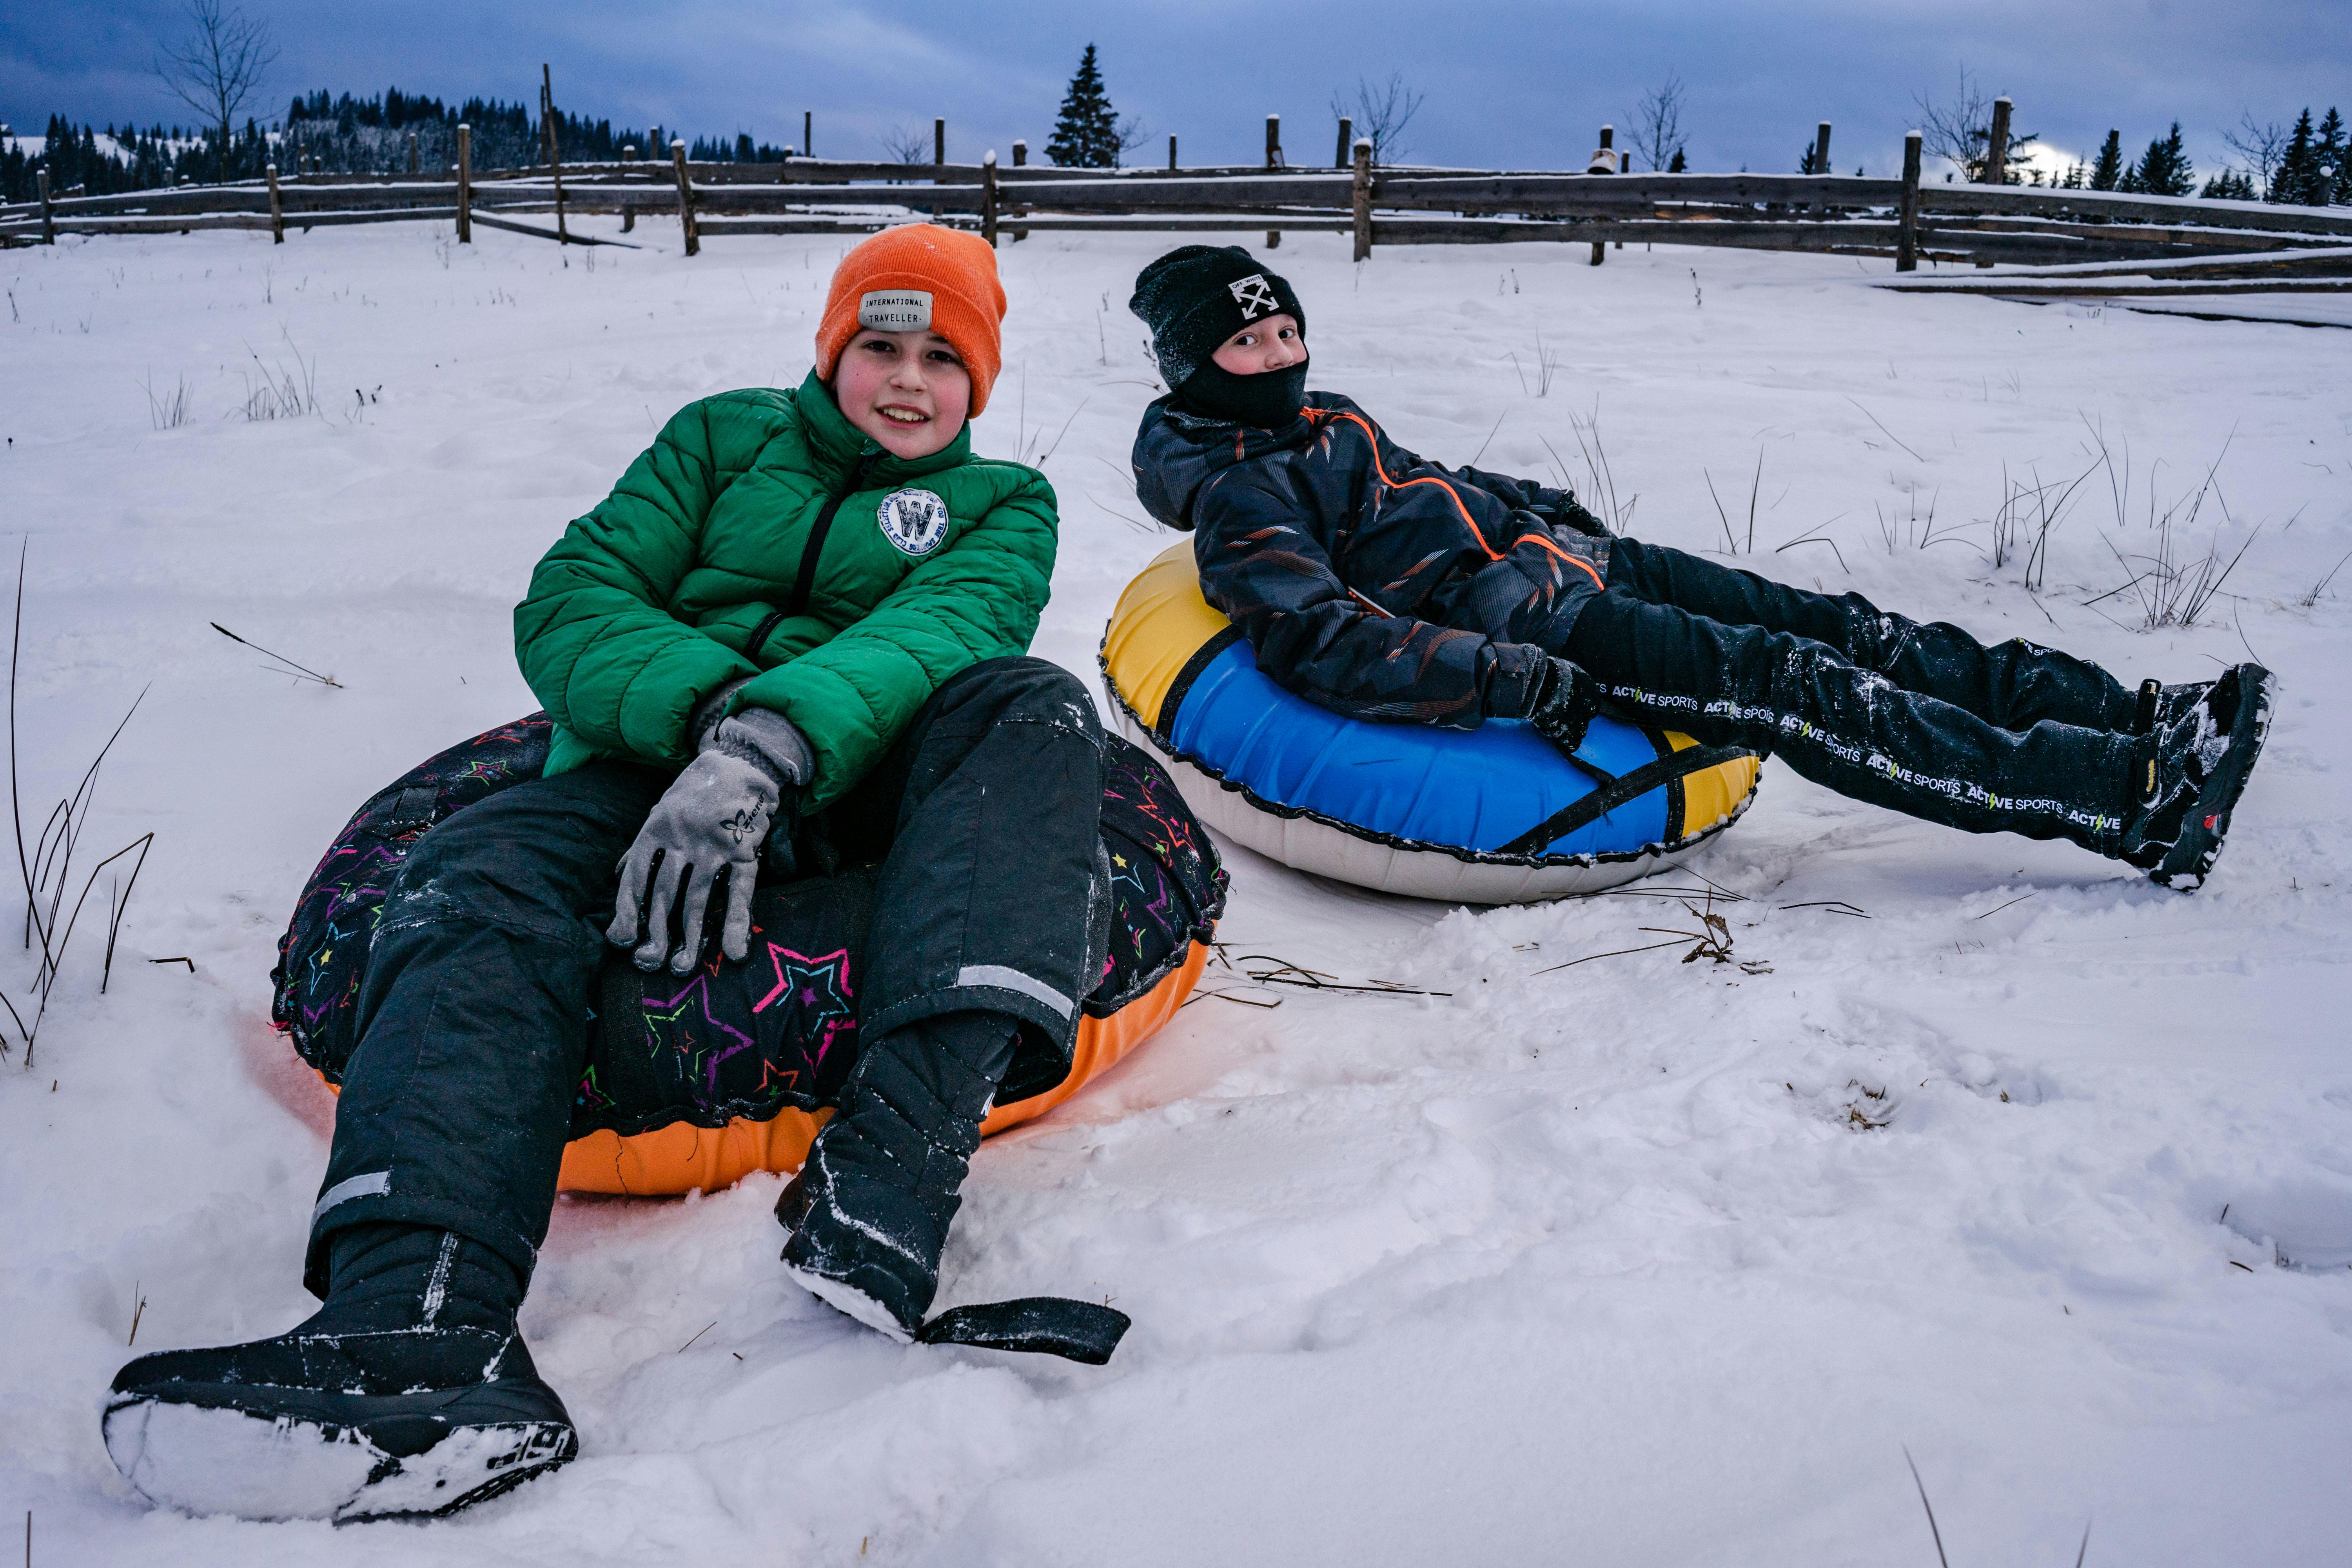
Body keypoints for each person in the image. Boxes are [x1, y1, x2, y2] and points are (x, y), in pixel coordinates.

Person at [104, 225, 1111, 1522]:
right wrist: (707, 723)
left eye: (941, 358)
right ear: (832, 350)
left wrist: (770, 749)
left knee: (1032, 702)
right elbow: (575, 595)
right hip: (632, 765)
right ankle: (414, 1331)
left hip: (850, 798)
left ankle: (894, 1175)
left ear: (979, 381)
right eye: (878, 346)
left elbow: (944, 629)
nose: (907, 381)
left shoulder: (1002, 504)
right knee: (471, 878)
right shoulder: (718, 439)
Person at [1125, 245, 2272, 889]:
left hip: (1576, 562)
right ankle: (2129, 802)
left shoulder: (1324, 418)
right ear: (1198, 364)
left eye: (1286, 332)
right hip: (1548, 630)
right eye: (1249, 343)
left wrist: (1534, 504)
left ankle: (2136, 717)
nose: (1281, 355)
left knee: (1844, 625)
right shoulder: (1241, 492)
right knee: (1795, 685)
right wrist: (1500, 677)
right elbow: (1317, 636)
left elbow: (1428, 485)